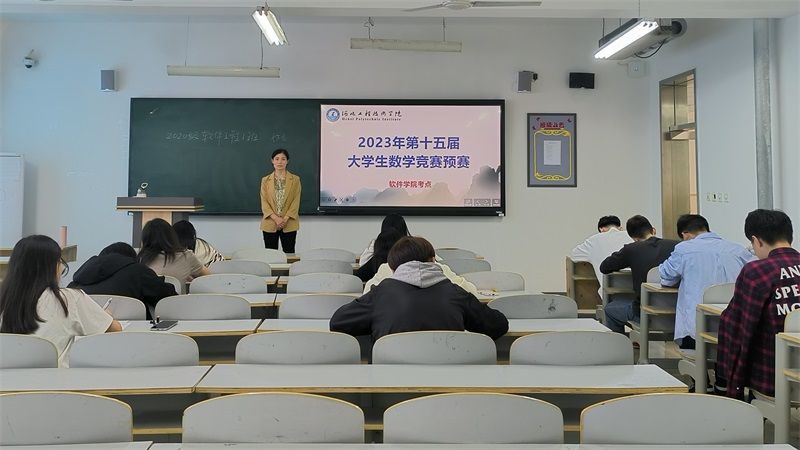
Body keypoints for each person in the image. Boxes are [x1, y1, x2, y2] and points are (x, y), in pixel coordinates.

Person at [330, 236, 508, 343]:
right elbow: (498, 325)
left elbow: (338, 323)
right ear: (433, 260)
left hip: (390, 384)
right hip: (447, 383)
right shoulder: (455, 292)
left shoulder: (380, 294)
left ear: (392, 267)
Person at [0, 235, 122, 367]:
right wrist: (104, 317)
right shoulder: (69, 299)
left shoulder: (5, 300)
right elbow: (115, 330)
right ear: (53, 266)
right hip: (55, 379)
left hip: (9, 379)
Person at [716, 209, 799, 399]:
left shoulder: (757, 271)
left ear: (757, 240)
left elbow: (741, 328)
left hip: (773, 378)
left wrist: (734, 385)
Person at [659, 214, 752, 348]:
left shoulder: (684, 248)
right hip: (734, 326)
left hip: (697, 327)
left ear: (685, 234)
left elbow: (666, 275)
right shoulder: (738, 250)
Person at [599, 215, 679, 333]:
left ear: (633, 238)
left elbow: (604, 267)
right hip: (676, 313)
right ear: (653, 230)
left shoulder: (631, 249)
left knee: (610, 309)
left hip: (644, 315)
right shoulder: (676, 246)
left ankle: (620, 343)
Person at [68, 242, 177, 318]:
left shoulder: (78, 279)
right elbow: (169, 299)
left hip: (87, 340)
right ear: (130, 258)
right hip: (135, 337)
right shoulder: (136, 270)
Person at [571, 215, 633, 296]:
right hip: (637, 291)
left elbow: (574, 255)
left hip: (609, 293)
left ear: (601, 229)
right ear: (620, 228)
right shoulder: (632, 236)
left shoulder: (594, 240)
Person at [138, 218, 210, 283]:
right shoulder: (187, 256)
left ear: (145, 239)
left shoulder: (140, 259)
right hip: (176, 293)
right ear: (171, 235)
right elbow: (208, 277)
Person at [260, 148, 301, 254]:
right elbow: (264, 202)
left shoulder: (295, 180)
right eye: (277, 159)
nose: (280, 162)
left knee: (289, 254)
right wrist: (276, 218)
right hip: (270, 222)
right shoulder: (265, 180)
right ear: (272, 161)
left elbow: (296, 201)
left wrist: (285, 219)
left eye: (283, 159)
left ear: (287, 161)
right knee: (270, 255)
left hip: (289, 223)